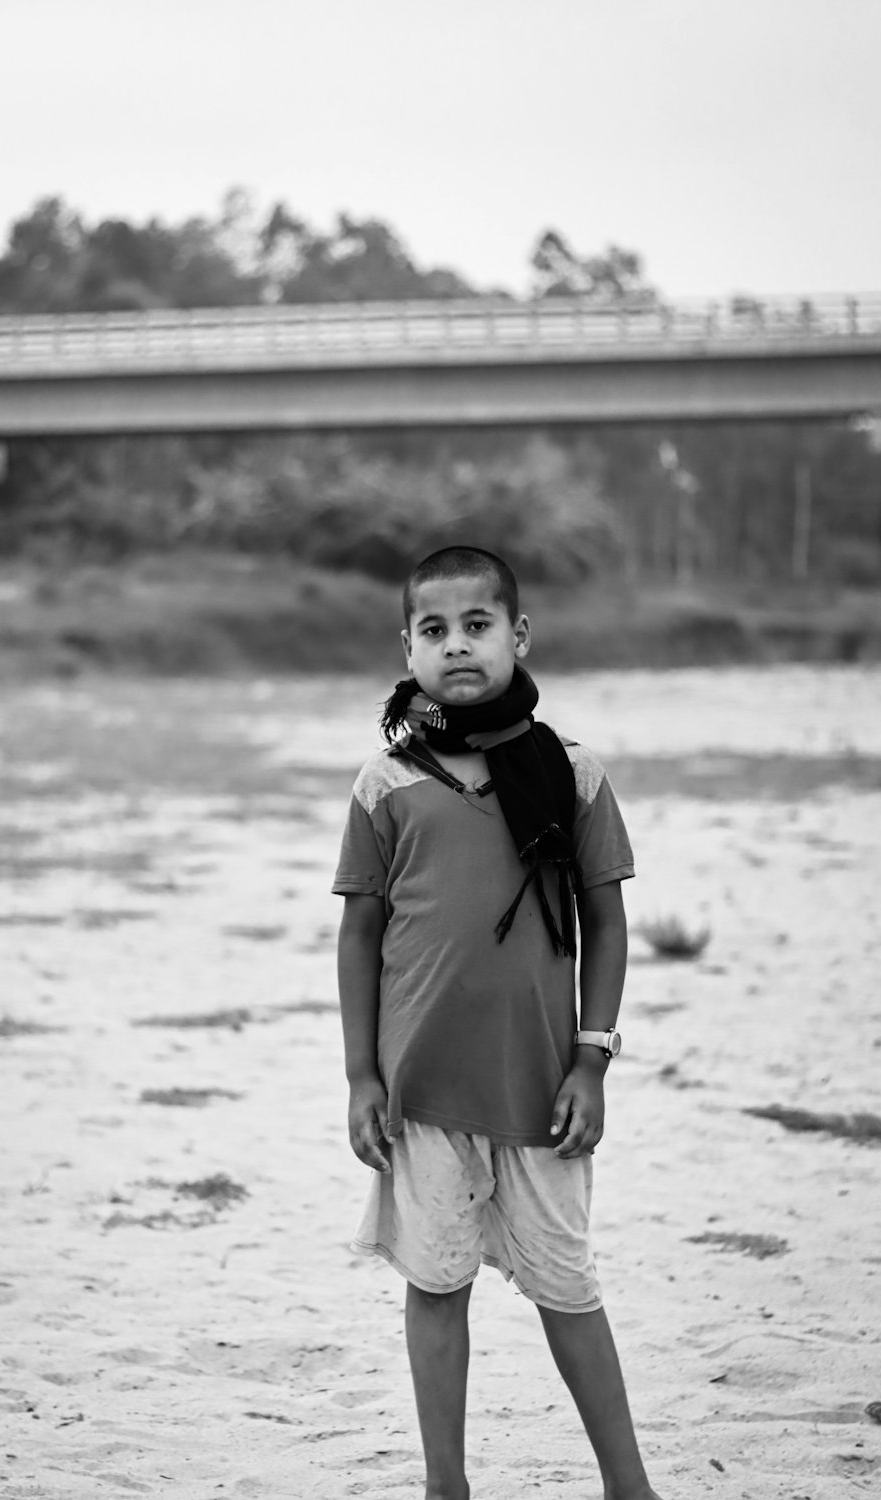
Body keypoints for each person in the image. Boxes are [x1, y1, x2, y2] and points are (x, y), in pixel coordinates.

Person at [333, 545, 663, 1500]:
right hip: (423, 1092)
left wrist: (592, 1059)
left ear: (518, 636)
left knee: (569, 1287)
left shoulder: (570, 772)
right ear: (407, 647)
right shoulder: (384, 784)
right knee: (436, 1286)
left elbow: (604, 918)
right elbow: (360, 936)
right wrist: (361, 1076)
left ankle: (628, 1485)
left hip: (542, 1087)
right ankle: (448, 1485)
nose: (457, 646)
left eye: (478, 625)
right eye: (433, 631)